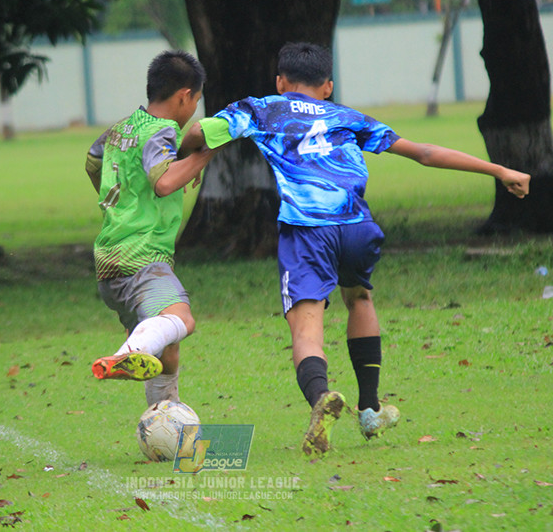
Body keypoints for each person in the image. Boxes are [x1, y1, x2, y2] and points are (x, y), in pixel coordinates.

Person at [180, 42, 530, 455]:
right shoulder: (347, 117)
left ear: (280, 82)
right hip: (358, 226)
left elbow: (198, 133)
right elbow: (424, 153)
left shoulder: (263, 109)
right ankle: (370, 409)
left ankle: (322, 398)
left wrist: (186, 157)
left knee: (306, 328)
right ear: (327, 86)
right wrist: (499, 170)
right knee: (360, 296)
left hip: (308, 229)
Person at [86, 50, 216, 407]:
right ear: (184, 96)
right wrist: (204, 156)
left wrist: (122, 200)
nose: (194, 108)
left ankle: (163, 420)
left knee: (167, 351)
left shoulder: (121, 129)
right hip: (142, 258)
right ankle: (128, 353)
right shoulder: (163, 130)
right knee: (181, 319)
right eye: (196, 100)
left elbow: (93, 162)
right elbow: (163, 182)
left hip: (109, 264)